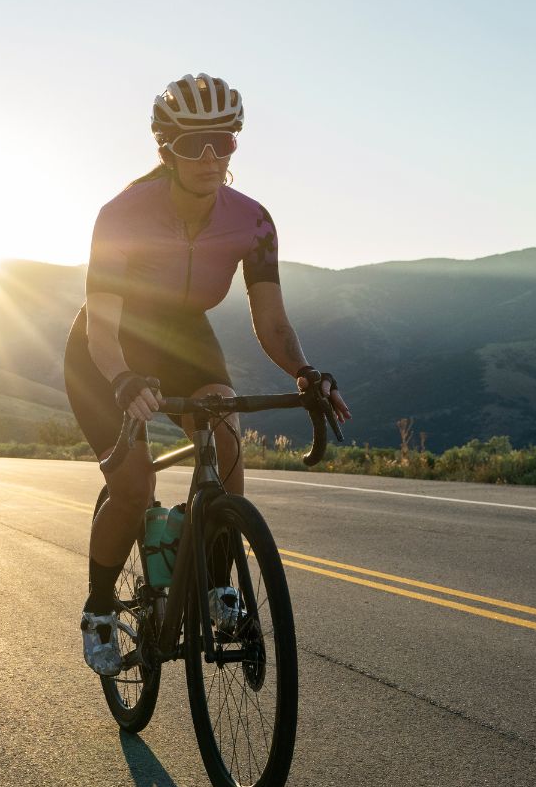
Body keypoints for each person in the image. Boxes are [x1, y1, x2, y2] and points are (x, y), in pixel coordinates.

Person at [69, 72, 351, 675]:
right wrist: (123, 379)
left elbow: (271, 322)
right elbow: (102, 327)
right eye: (193, 143)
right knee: (134, 487)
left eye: (222, 142)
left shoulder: (253, 221)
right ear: (164, 147)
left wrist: (304, 370)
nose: (209, 156)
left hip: (184, 337)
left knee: (225, 428)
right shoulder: (122, 215)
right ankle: (98, 611)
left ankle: (221, 585)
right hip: (111, 345)